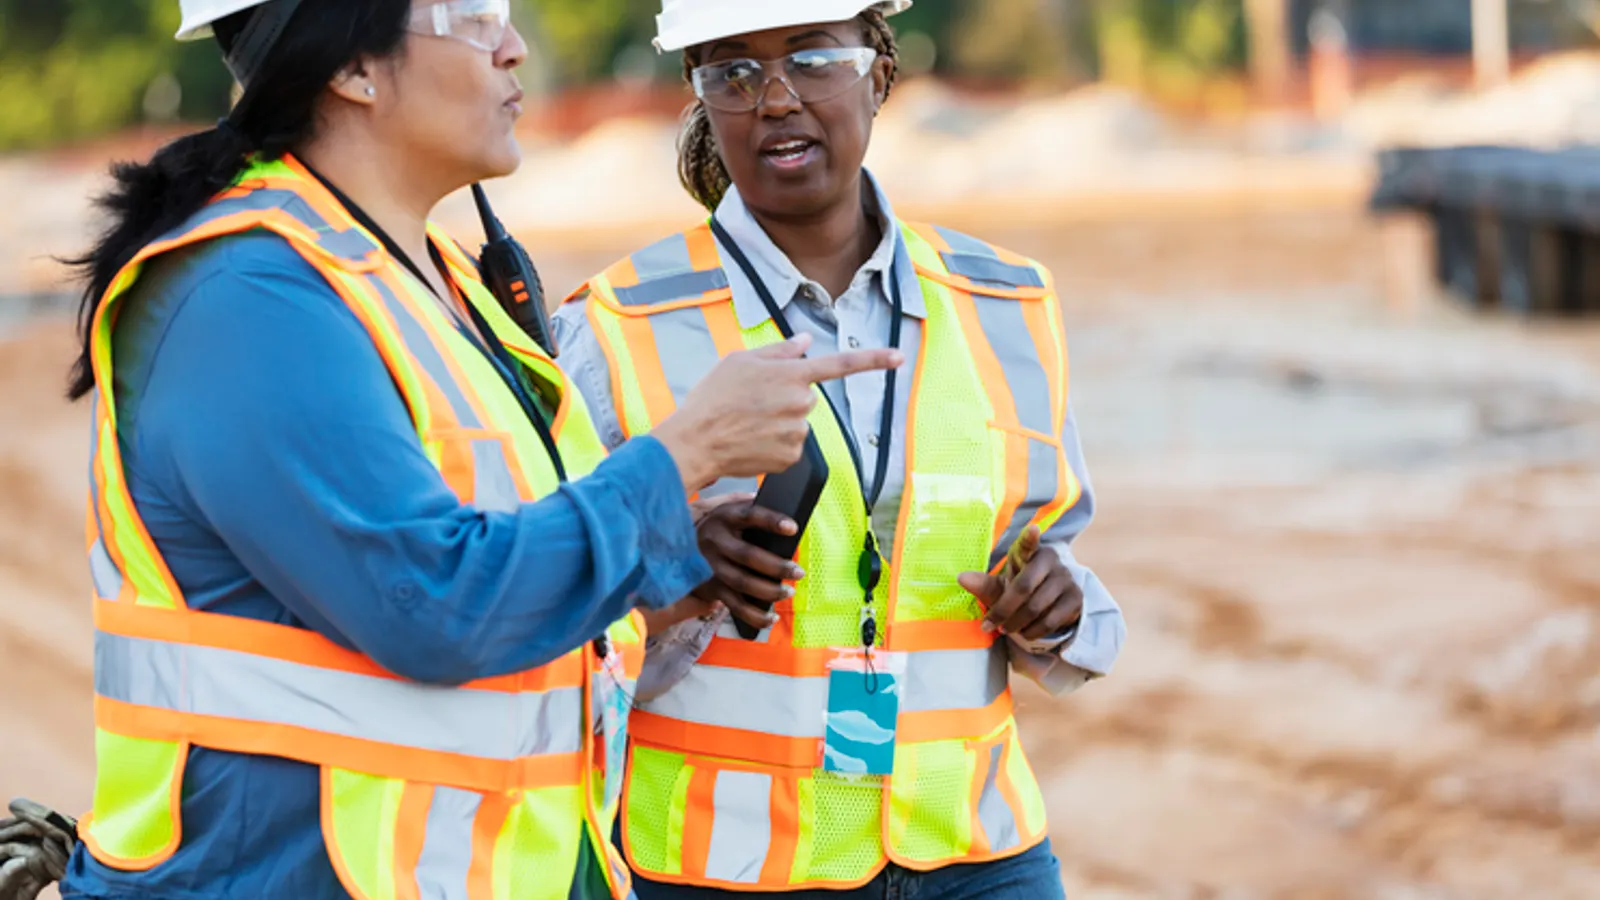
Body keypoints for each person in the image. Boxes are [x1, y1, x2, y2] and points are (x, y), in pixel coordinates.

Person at [26, 2, 902, 899]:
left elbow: (504, 571)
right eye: (473, 15)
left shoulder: (437, 285)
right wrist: (682, 455)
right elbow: (431, 603)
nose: (512, 44)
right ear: (352, 68)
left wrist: (663, 560)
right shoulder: (245, 298)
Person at [550, 1, 1126, 897]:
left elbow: (1048, 556)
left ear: (880, 72)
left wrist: (1054, 605)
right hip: (724, 862)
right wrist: (674, 574)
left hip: (972, 847)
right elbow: (553, 619)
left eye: (814, 59)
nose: (775, 98)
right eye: (733, 72)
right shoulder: (614, 327)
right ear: (702, 99)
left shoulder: (1004, 302)